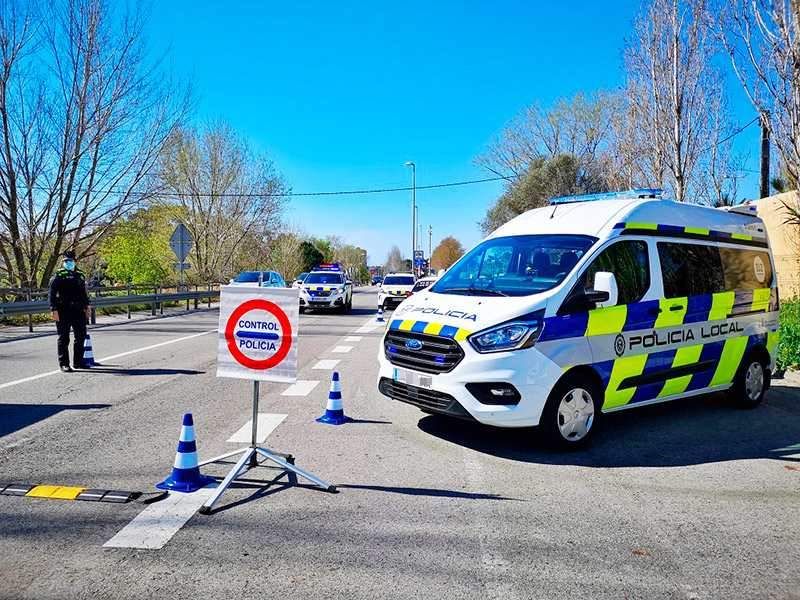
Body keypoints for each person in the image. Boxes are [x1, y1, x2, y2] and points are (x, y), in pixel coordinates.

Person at [49, 250, 92, 372]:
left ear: (75, 261)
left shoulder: (80, 275)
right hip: (63, 309)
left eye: (70, 261)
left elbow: (84, 293)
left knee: (81, 336)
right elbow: (51, 293)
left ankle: (78, 361)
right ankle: (64, 364)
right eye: (66, 261)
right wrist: (53, 309)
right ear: (62, 262)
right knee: (64, 338)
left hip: (78, 309)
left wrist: (87, 306)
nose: (68, 263)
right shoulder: (59, 276)